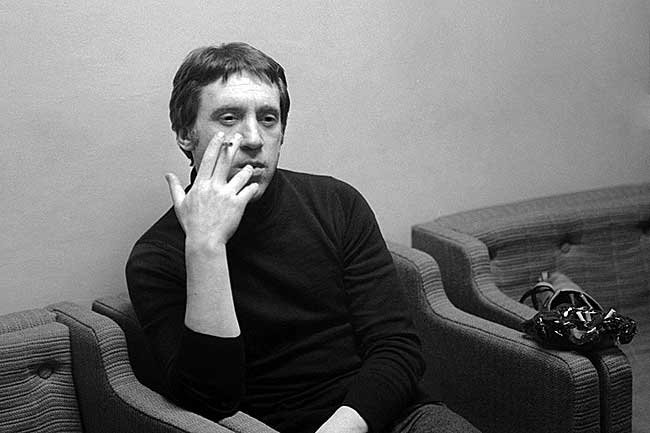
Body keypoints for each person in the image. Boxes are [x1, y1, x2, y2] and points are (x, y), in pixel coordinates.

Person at [126, 42, 479, 433]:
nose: (253, 138)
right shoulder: (156, 257)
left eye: (268, 119)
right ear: (185, 134)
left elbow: (397, 349)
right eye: (229, 118)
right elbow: (210, 401)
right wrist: (206, 246)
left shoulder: (336, 203)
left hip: (385, 416)